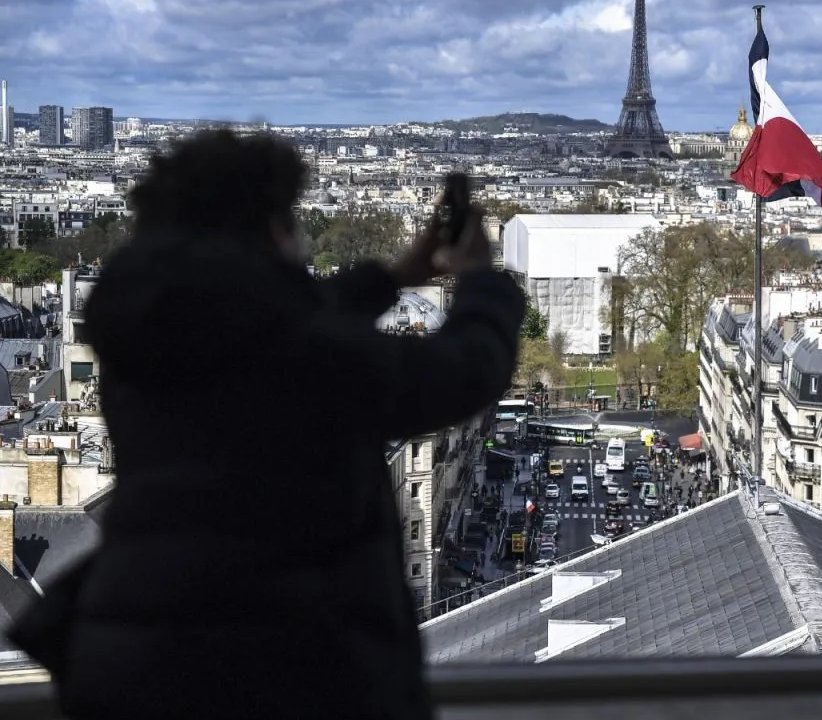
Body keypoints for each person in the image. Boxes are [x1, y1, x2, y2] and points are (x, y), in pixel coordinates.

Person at [7, 130, 525, 720]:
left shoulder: (141, 334)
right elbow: (464, 373)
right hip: (287, 656)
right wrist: (483, 281)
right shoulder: (302, 356)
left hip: (133, 648)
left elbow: (270, 319)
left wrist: (394, 276)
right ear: (273, 230)